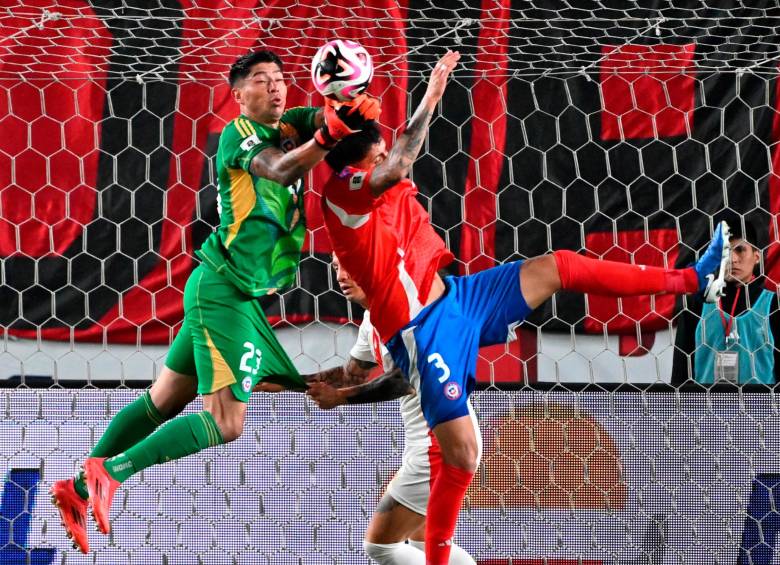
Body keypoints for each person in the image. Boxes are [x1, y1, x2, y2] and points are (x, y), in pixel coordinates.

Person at [314, 49, 732, 565]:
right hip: (425, 329)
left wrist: (342, 104)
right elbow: (397, 157)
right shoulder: (345, 194)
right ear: (359, 168)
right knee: (460, 457)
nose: (388, 160)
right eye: (376, 157)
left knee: (556, 266)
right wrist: (432, 94)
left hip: (458, 299)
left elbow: (386, 149)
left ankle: (693, 278)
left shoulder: (364, 167)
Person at [49, 49, 380, 554]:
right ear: (238, 94)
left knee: (161, 401)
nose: (274, 88)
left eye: (280, 80)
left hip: (227, 289)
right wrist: (331, 133)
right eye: (261, 81)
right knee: (226, 423)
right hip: (225, 290)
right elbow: (283, 169)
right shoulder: (241, 135)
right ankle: (110, 473)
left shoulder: (289, 122)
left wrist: (348, 103)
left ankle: (74, 489)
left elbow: (322, 121)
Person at [303, 255, 477, 564]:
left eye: (350, 263)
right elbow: (350, 372)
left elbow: (406, 380)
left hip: (440, 442)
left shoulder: (409, 313)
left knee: (381, 545)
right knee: (423, 542)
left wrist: (341, 398)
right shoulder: (373, 319)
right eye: (335, 267)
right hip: (427, 443)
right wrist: (286, 382)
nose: (341, 276)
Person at [672, 220, 780, 385]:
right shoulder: (697, 303)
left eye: (740, 250)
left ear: (757, 257)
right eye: (725, 251)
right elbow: (680, 372)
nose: (732, 259)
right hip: (706, 407)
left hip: (760, 407)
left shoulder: (773, 304)